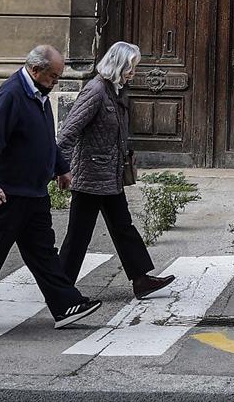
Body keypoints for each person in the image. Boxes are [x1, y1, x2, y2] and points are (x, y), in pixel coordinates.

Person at [0, 44, 103, 333]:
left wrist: (61, 168)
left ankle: (65, 305)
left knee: (43, 252)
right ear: (35, 70)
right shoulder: (11, 95)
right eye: (53, 76)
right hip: (8, 194)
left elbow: (45, 139)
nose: (56, 82)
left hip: (33, 192)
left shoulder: (39, 94)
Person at [57, 41, 175, 300]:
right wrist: (61, 168)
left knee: (124, 227)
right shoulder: (96, 91)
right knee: (78, 236)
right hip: (89, 177)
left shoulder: (114, 90)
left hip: (109, 177)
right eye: (131, 66)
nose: (134, 71)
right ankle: (61, 289)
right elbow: (67, 133)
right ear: (118, 65)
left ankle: (141, 279)